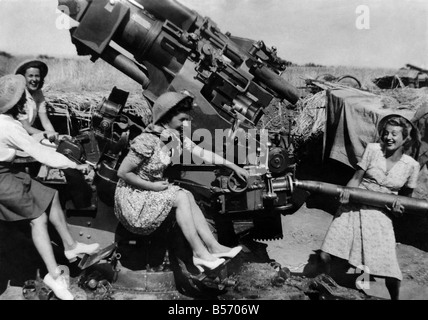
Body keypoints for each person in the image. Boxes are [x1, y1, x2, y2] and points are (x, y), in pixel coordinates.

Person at [114, 91, 248, 272]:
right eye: (182, 119)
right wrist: (152, 186)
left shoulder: (174, 137)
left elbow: (202, 154)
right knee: (180, 197)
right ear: (166, 118)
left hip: (150, 192)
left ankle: (213, 248)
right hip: (134, 200)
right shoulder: (147, 140)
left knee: (187, 195)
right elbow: (123, 173)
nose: (187, 123)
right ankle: (199, 254)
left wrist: (233, 166)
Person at [0, 74, 100, 300]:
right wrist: (75, 164)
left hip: (7, 172)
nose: (26, 102)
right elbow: (40, 155)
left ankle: (70, 245)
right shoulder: (8, 126)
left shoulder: (7, 123)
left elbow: (29, 142)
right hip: (2, 178)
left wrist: (49, 140)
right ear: (16, 104)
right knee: (38, 219)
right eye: (22, 99)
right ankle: (54, 275)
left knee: (51, 194)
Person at [319, 114, 421, 300]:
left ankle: (394, 298)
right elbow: (357, 178)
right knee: (326, 255)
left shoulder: (412, 166)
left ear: (405, 138)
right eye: (386, 133)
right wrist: (347, 194)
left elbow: (407, 200)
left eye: (394, 134)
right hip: (354, 206)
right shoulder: (373, 149)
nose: (388, 137)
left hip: (380, 213)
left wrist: (399, 212)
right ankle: (327, 290)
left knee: (390, 270)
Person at [14, 59, 58, 141]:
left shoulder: (38, 93)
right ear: (24, 77)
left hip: (28, 133)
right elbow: (26, 127)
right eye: (30, 76)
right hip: (16, 134)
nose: (34, 79)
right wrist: (47, 134)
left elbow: (45, 121)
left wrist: (55, 137)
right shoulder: (19, 94)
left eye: (37, 76)